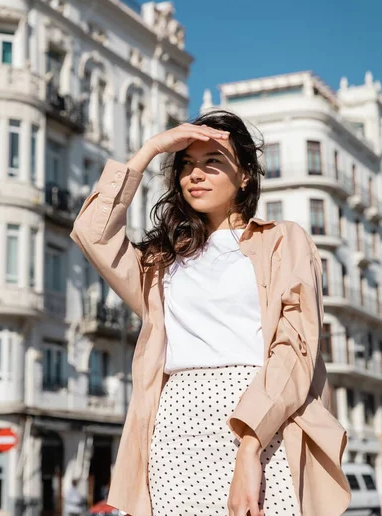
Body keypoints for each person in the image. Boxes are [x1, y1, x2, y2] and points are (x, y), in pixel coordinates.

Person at [70, 110, 351, 516]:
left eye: (212, 163)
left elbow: (294, 349)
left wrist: (251, 444)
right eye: (186, 166)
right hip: (173, 423)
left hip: (260, 417)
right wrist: (150, 150)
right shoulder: (162, 259)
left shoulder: (283, 241)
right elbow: (92, 233)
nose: (194, 175)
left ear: (246, 176)